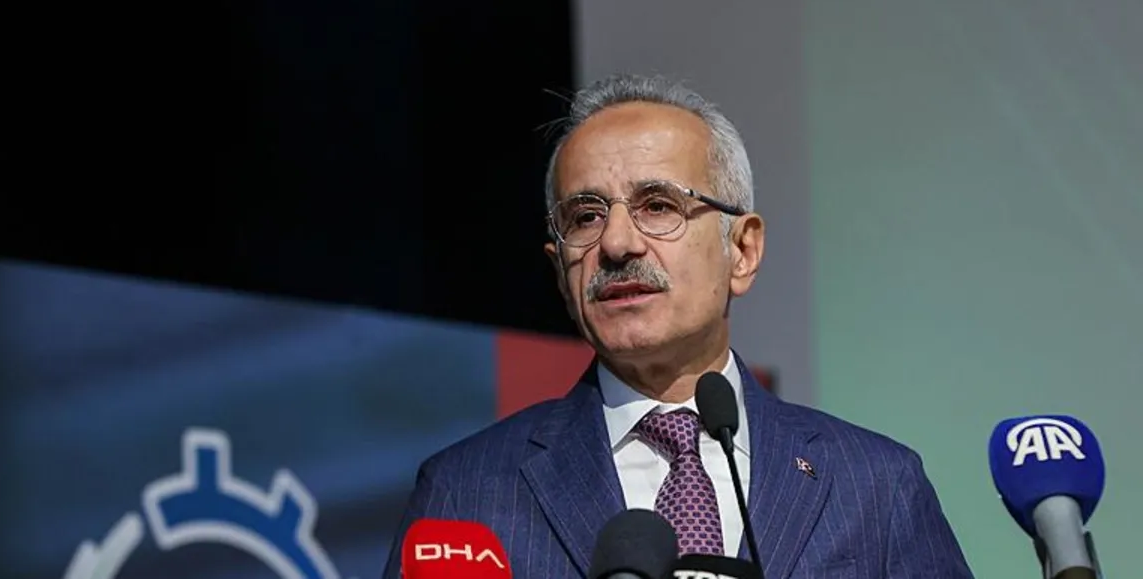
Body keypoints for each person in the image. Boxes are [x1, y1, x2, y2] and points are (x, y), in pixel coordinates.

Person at [382, 74, 973, 578]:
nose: (617, 243)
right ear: (560, 271)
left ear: (742, 251)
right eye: (585, 216)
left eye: (658, 205)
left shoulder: (875, 485)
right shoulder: (468, 493)